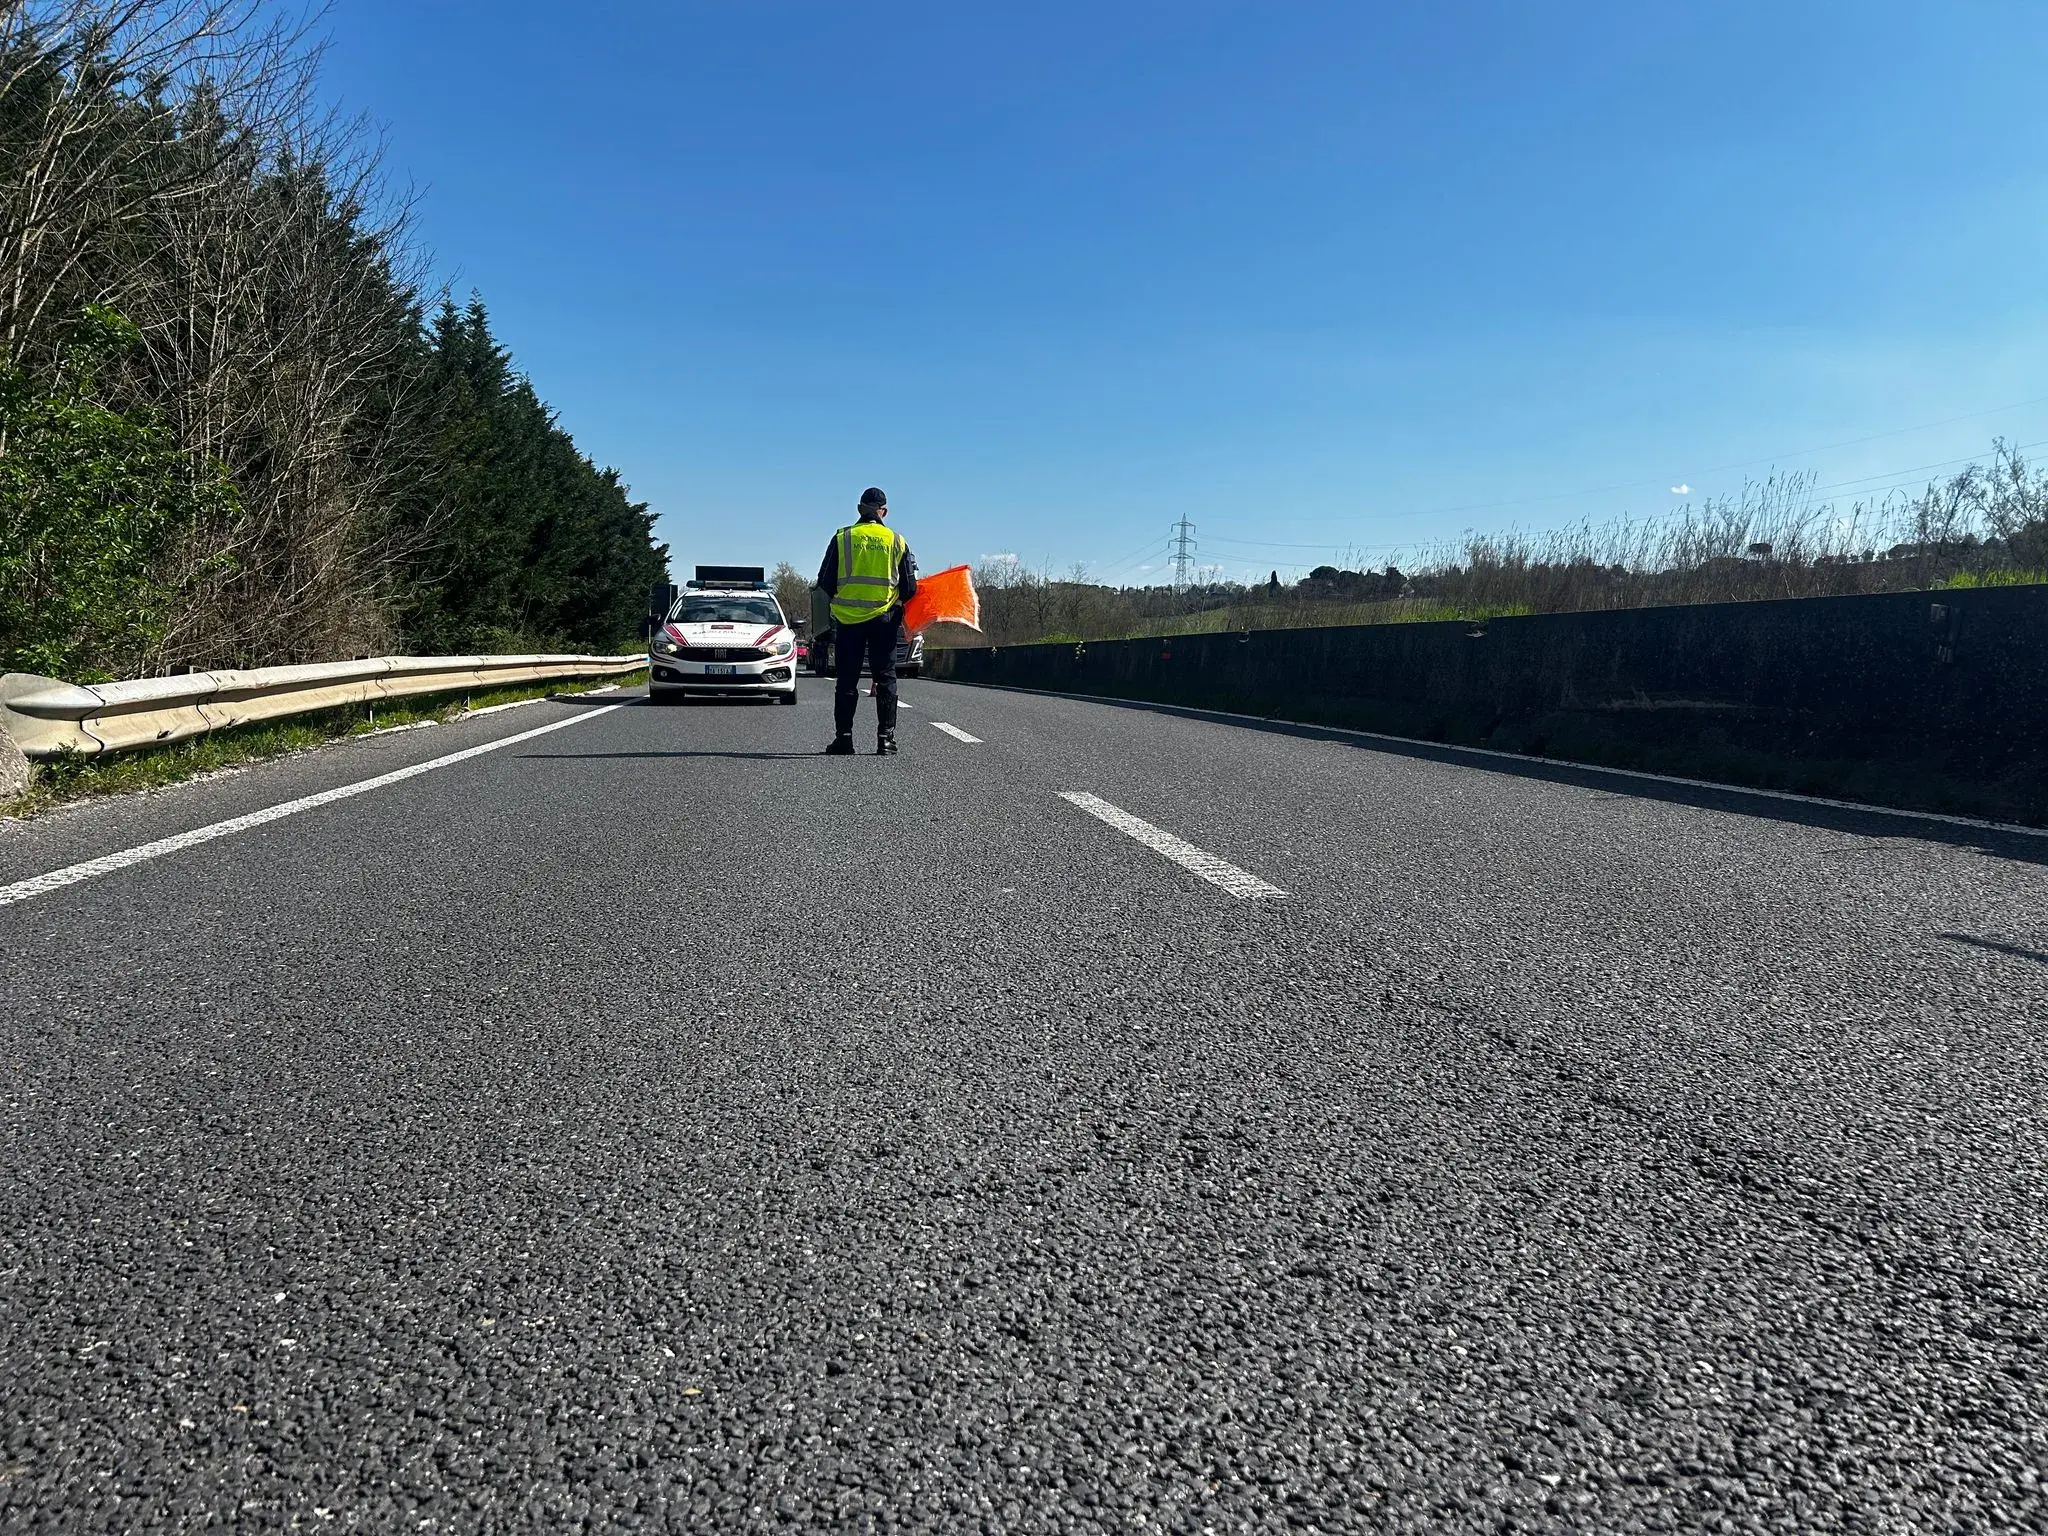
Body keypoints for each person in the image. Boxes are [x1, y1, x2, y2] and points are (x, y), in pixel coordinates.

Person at [816, 486, 917, 755]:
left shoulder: (843, 537)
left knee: (847, 679)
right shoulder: (897, 541)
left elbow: (824, 581)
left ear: (859, 509)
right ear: (884, 512)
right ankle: (885, 740)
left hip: (849, 620)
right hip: (884, 620)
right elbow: (909, 588)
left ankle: (844, 739)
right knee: (885, 677)